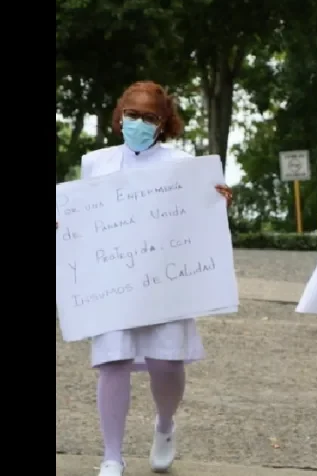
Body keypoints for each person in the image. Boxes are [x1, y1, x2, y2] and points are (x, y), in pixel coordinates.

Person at [57, 81, 233, 476]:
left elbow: (201, 220)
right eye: (131, 114)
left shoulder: (185, 164)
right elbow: (83, 216)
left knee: (167, 364)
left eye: (149, 117)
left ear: (163, 122)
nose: (138, 122)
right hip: (112, 281)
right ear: (120, 116)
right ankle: (112, 455)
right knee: (112, 361)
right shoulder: (96, 163)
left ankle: (165, 423)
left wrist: (217, 201)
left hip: (164, 283)